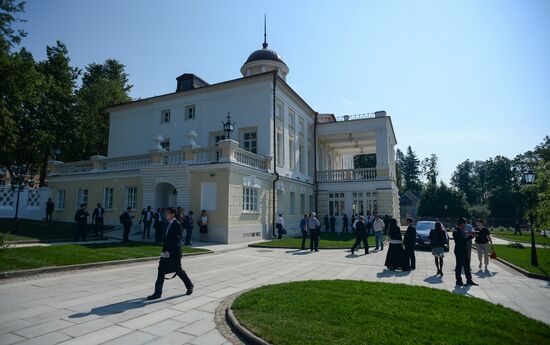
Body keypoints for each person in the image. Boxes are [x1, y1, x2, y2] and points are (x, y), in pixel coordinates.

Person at [147, 207, 194, 300]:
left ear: (173, 214)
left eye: (168, 213)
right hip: (165, 252)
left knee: (179, 271)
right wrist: (165, 251)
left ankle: (190, 286)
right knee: (160, 270)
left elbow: (177, 239)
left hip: (174, 253)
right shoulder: (167, 224)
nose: (166, 214)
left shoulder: (177, 224)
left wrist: (169, 250)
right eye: (166, 213)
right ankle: (157, 293)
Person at [453, 218, 478, 286]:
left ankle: (469, 280)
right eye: (464, 225)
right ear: (460, 224)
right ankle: (459, 281)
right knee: (459, 266)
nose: (464, 227)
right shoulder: (456, 231)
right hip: (459, 251)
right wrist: (471, 236)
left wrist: (470, 235)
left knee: (467, 266)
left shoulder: (461, 231)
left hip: (464, 250)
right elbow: (462, 241)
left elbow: (464, 239)